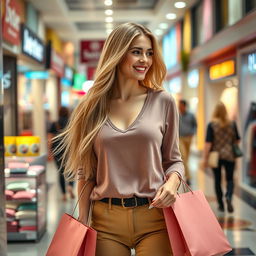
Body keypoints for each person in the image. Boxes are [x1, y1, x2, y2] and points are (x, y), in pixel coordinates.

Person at [58, 23, 184, 256]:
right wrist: (83, 221)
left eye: (149, 53)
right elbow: (86, 172)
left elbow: (174, 160)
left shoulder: (163, 101)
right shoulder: (91, 107)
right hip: (106, 220)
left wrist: (172, 183)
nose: (144, 60)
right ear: (117, 53)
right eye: (136, 51)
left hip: (154, 215)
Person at [202, 102, 240, 213]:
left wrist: (205, 158)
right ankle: (228, 196)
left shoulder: (212, 125)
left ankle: (221, 205)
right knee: (230, 179)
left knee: (217, 180)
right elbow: (237, 140)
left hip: (216, 156)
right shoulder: (232, 124)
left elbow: (208, 143)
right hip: (229, 155)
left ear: (216, 111)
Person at [50, 106, 75, 201]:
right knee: (71, 169)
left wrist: (49, 153)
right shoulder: (71, 122)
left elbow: (50, 138)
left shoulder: (55, 123)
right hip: (69, 149)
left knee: (60, 172)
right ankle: (70, 186)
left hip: (57, 150)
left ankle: (64, 194)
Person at [178, 99, 197, 184]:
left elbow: (195, 126)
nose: (179, 107)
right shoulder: (177, 115)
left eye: (181, 105)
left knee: (187, 158)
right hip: (180, 138)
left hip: (188, 139)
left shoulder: (191, 115)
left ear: (184, 106)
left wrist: (192, 133)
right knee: (184, 157)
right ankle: (188, 177)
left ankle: (186, 175)